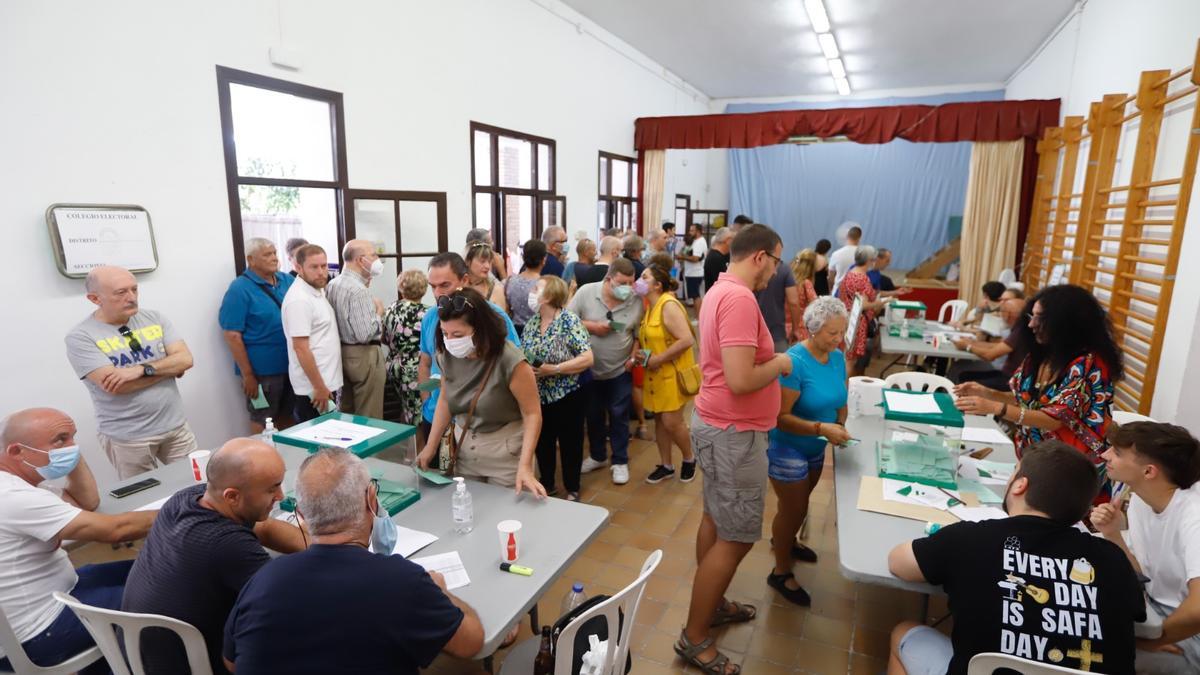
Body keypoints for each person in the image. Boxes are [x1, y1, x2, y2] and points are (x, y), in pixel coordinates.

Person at [887, 440, 1144, 675]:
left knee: (904, 633)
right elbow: (1136, 605)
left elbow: (898, 562)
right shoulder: (1113, 559)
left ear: (1020, 485)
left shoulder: (970, 538)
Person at [222, 448, 484, 674]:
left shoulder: (262, 580)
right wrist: (439, 589)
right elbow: (472, 642)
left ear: (301, 515)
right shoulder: (402, 581)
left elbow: (232, 662)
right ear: (371, 500)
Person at [674, 225, 793, 674]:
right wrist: (780, 363)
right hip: (734, 433)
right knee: (737, 535)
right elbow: (741, 379)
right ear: (760, 256)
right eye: (777, 261)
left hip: (718, 424)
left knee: (715, 517)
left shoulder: (719, 290)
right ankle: (695, 635)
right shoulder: (741, 298)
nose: (776, 272)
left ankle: (713, 604)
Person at [122, 438, 306, 675]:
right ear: (232, 497)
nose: (280, 496)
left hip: (138, 651)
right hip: (188, 664)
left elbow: (265, 527)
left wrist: (317, 545)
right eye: (272, 488)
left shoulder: (187, 498)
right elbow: (292, 602)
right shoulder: (229, 546)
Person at [0, 408, 156, 674]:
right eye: (60, 440)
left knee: (155, 568)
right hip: (39, 631)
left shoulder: (20, 485)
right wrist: (193, 506)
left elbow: (86, 501)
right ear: (17, 452)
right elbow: (117, 530)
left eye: (73, 438)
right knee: (165, 593)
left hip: (55, 593)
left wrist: (69, 454)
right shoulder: (14, 496)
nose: (71, 447)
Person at [955, 284, 1123, 465]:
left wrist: (996, 407)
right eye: (1031, 316)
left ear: (1066, 323)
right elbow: (1025, 399)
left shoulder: (1089, 365)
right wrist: (987, 393)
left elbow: (1054, 419)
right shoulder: (1043, 354)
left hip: (1071, 467)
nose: (1031, 324)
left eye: (1040, 318)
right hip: (1036, 458)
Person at [65, 266, 197, 479]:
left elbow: (186, 359)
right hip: (128, 438)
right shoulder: (81, 337)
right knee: (147, 497)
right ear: (94, 298)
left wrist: (140, 370)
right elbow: (120, 386)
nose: (132, 297)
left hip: (176, 427)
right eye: (121, 292)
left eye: (134, 289)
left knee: (196, 485)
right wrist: (169, 369)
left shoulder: (155, 318)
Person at [416, 289, 546, 496]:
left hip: (507, 455)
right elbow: (445, 398)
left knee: (509, 518)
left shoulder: (509, 359)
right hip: (465, 451)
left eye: (458, 335)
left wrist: (525, 466)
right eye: (445, 333)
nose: (450, 340)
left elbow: (532, 414)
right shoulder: (446, 354)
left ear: (480, 329)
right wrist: (430, 446)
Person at [1093, 422, 1200, 673]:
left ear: (1149, 471)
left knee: (1089, 656)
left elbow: (1197, 610)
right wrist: (1113, 534)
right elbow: (1143, 575)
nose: (1105, 455)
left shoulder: (1193, 516)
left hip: (1187, 636)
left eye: (1117, 453)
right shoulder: (1142, 499)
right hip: (1153, 614)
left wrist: (1150, 641)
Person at [767, 297, 849, 606]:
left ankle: (784, 541)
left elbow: (840, 398)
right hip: (787, 445)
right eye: (831, 333)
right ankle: (780, 569)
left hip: (816, 445)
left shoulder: (837, 357)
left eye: (841, 332)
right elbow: (780, 417)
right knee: (793, 509)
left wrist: (840, 422)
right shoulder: (794, 363)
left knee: (799, 505)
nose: (837, 339)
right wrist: (821, 429)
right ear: (812, 330)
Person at [417, 254, 520, 447]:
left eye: (444, 285)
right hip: (436, 415)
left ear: (464, 280)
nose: (438, 293)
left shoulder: (494, 316)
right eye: (433, 286)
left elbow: (515, 367)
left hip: (479, 422)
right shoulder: (430, 317)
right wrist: (427, 401)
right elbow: (425, 362)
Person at [571, 259, 644, 486]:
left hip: (620, 369)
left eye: (631, 283)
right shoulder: (586, 293)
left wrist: (633, 357)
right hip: (589, 369)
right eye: (623, 283)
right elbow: (567, 321)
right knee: (593, 415)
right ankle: (597, 455)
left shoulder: (635, 301)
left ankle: (620, 460)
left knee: (619, 415)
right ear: (609, 279)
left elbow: (639, 335)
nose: (628, 288)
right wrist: (593, 326)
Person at [523, 276, 594, 501]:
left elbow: (587, 357)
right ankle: (547, 484)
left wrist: (554, 369)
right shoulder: (532, 323)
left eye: (537, 288)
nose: (532, 291)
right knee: (543, 442)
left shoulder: (569, 321)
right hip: (540, 396)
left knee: (570, 443)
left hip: (568, 394)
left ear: (550, 295)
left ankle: (572, 487)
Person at [220, 238, 296, 433]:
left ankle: (288, 457)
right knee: (263, 419)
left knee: (289, 415)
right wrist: (248, 375)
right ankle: (261, 460)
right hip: (263, 372)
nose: (274, 258)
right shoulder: (239, 289)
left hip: (292, 365)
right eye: (267, 254)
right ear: (251, 260)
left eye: (274, 253)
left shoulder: (287, 280)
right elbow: (232, 335)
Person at [635, 262, 697, 485]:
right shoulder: (651, 305)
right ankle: (666, 465)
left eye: (644, 277)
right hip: (656, 375)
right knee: (660, 421)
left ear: (657, 285)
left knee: (672, 422)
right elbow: (655, 337)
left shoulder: (668, 305)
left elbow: (687, 340)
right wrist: (643, 355)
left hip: (672, 373)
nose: (639, 281)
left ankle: (690, 458)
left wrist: (658, 358)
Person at [325, 239, 386, 418]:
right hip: (363, 355)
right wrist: (379, 313)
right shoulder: (358, 291)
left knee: (346, 410)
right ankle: (371, 446)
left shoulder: (333, 284)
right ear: (360, 260)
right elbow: (364, 334)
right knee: (369, 413)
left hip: (341, 352)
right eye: (374, 255)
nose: (377, 259)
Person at [281, 244, 342, 423]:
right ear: (298, 268)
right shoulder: (299, 300)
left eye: (324, 266)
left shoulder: (316, 290)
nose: (321, 272)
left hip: (326, 382)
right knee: (319, 446)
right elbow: (300, 348)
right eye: (314, 267)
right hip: (315, 389)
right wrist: (319, 387)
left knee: (332, 442)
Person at [950, 289, 1028, 391]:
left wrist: (967, 346)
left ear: (1010, 314)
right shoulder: (1019, 328)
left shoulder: (1020, 330)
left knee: (962, 375)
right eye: (1001, 300)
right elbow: (998, 345)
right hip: (1006, 373)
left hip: (1010, 379)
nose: (1001, 305)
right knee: (962, 373)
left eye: (1006, 301)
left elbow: (990, 355)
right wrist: (972, 342)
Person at [382, 270, 429, 427]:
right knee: (419, 412)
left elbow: (383, 337)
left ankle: (407, 446)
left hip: (394, 364)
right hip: (416, 368)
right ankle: (418, 448)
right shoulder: (426, 313)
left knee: (405, 407)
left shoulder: (391, 308)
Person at [837, 246, 889, 378]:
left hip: (846, 319)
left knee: (845, 359)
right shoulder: (862, 278)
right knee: (850, 362)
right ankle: (845, 393)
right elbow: (863, 305)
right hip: (857, 323)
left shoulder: (850, 273)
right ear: (870, 260)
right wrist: (879, 303)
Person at [754, 250, 802, 353]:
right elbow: (793, 302)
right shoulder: (784, 269)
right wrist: (795, 329)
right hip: (776, 333)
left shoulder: (750, 267)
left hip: (751, 332)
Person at [505, 239, 548, 327]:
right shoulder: (545, 284)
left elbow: (507, 309)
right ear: (543, 260)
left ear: (523, 257)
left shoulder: (510, 281)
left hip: (515, 331)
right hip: (537, 331)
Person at [784, 249, 819, 342]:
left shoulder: (787, 280)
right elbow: (816, 306)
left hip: (782, 327)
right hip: (799, 328)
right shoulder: (806, 283)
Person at [465, 240, 508, 312]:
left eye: (489, 261)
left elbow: (502, 320)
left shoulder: (496, 290)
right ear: (468, 262)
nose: (487, 266)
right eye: (482, 261)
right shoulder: (459, 287)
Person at [677, 223, 707, 310]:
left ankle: (699, 319)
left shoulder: (699, 242)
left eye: (692, 230)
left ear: (698, 231)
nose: (689, 232)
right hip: (692, 273)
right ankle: (699, 318)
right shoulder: (695, 241)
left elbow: (695, 259)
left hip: (695, 273)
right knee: (695, 296)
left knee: (695, 296)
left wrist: (682, 257)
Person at [828, 224, 862, 295]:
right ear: (859, 238)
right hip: (856, 294)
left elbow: (831, 276)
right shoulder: (863, 254)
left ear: (847, 236)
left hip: (838, 291)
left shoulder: (836, 254)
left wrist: (831, 289)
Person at [704, 227, 733, 292]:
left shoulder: (725, 255)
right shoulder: (714, 258)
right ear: (728, 241)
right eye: (732, 240)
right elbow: (722, 284)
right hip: (716, 298)